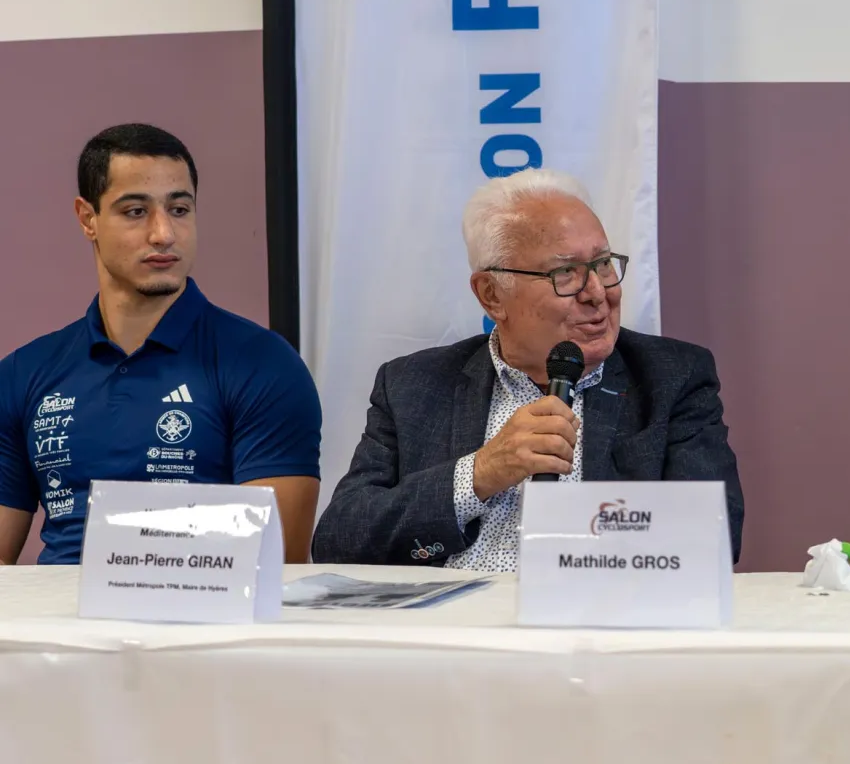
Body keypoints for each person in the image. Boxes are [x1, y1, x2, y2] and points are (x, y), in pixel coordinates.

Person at [312, 168, 744, 567]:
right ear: (492, 295)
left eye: (602, 264)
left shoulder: (671, 378)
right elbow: (338, 542)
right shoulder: (414, 386)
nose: (598, 292)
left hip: (592, 616)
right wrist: (478, 474)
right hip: (449, 621)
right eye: (566, 273)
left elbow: (713, 539)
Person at [0, 124, 322, 565]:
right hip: (52, 609)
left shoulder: (263, 364)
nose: (163, 233)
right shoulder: (23, 373)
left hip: (197, 606)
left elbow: (275, 564)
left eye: (179, 209)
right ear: (87, 218)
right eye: (136, 211)